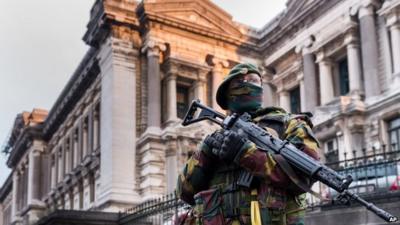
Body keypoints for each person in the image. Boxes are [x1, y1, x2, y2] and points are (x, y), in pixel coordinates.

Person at [177, 63, 320, 225]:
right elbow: (184, 193)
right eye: (242, 82)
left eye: (255, 81)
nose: (250, 86)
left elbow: (304, 177)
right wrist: (206, 153)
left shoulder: (290, 124)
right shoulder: (218, 138)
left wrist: (245, 153)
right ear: (227, 93)